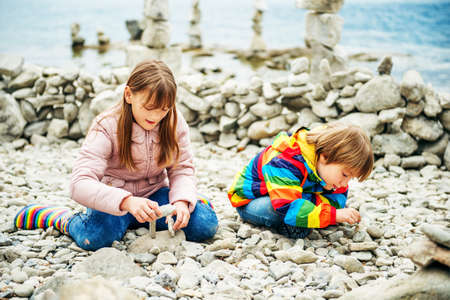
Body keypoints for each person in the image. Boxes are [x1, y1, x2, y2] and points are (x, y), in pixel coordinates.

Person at [14, 60, 218, 250]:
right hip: (115, 201)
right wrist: (127, 202)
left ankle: (188, 201)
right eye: (149, 108)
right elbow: (79, 183)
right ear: (129, 95)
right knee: (95, 237)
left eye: (164, 109)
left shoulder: (174, 120)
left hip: (155, 198)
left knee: (205, 225)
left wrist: (181, 201)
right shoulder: (106, 125)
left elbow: (181, 169)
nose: (156, 117)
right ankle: (61, 218)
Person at [228, 123, 373, 238]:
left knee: (314, 212)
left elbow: (337, 200)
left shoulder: (332, 171)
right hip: (253, 200)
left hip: (290, 193)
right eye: (345, 175)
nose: (345, 184)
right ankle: (296, 221)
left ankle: (303, 216)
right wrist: (332, 215)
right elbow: (286, 206)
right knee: (277, 211)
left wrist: (330, 213)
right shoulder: (286, 161)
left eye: (351, 178)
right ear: (325, 156)